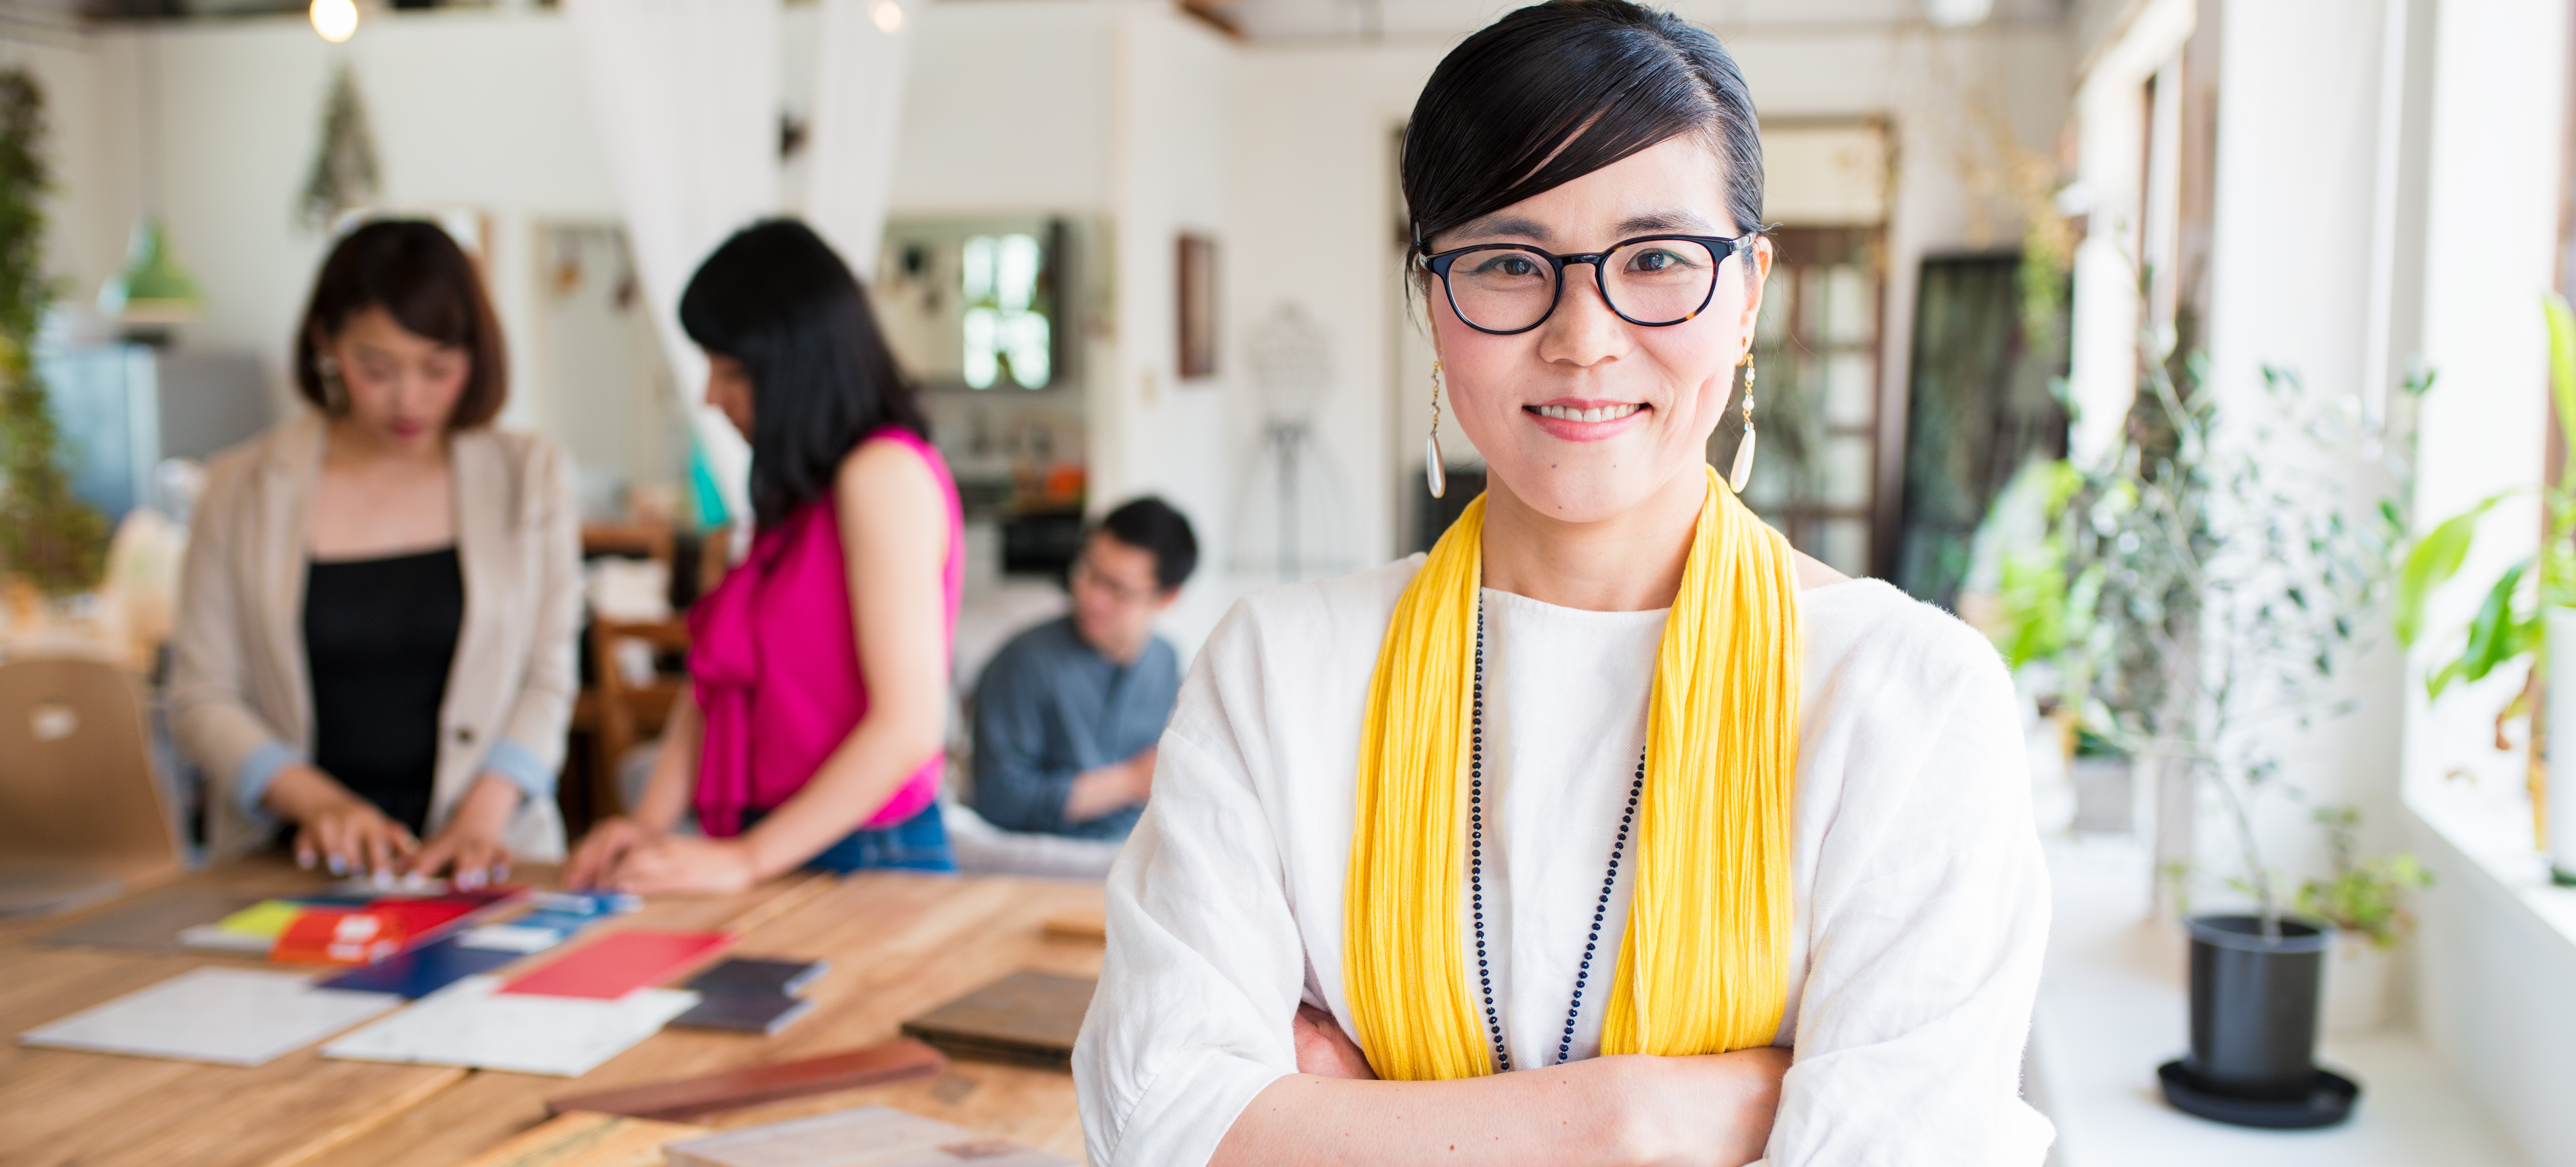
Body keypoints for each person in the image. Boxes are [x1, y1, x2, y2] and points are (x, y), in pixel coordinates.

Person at [1072, 5, 2054, 1166]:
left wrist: (1342, 1116)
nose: (1581, 336)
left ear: (1746, 293)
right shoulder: (1277, 671)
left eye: (1652, 259)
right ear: (1431, 302)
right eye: (1503, 261)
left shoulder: (1907, 698)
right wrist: (1639, 1119)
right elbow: (1157, 1119)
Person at [170, 220, 581, 881]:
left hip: (487, 855)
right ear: (324, 343)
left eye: (437, 369)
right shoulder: (239, 488)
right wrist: (319, 803)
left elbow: (547, 677)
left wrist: (481, 818)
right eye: (377, 368)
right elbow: (202, 696)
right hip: (292, 859)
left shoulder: (528, 474)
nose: (408, 399)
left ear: (475, 356)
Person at [564, 219, 964, 893]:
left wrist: (746, 858)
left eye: (731, 373)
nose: (710, 398)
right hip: (785, 844)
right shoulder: (800, 500)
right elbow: (713, 685)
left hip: (866, 856)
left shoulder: (882, 474)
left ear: (798, 369)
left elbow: (907, 728)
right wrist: (649, 827)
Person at [970, 497, 1198, 841]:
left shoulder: (1166, 661)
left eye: (1118, 589)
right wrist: (1129, 782)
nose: (1093, 598)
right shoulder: (1024, 662)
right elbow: (997, 797)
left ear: (1167, 598)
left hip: (1140, 856)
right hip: (1050, 864)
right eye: (1089, 572)